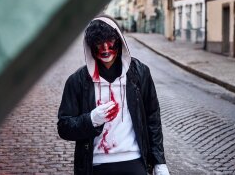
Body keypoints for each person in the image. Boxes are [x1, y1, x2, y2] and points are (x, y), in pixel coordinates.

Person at [57, 15, 170, 175]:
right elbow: (64, 127)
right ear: (90, 46)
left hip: (134, 161)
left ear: (119, 40)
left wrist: (159, 162)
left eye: (110, 40)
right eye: (98, 42)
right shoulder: (78, 81)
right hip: (96, 165)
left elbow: (153, 118)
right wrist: (91, 120)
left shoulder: (139, 74)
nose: (105, 48)